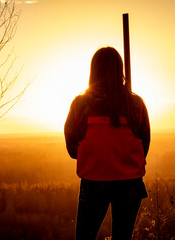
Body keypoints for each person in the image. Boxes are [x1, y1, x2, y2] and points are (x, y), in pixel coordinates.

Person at [64, 47, 150, 240]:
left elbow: (72, 149)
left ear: (93, 70)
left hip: (94, 181)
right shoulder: (137, 104)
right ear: (120, 69)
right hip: (130, 183)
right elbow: (144, 145)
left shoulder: (80, 104)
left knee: (84, 237)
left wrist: (96, 153)